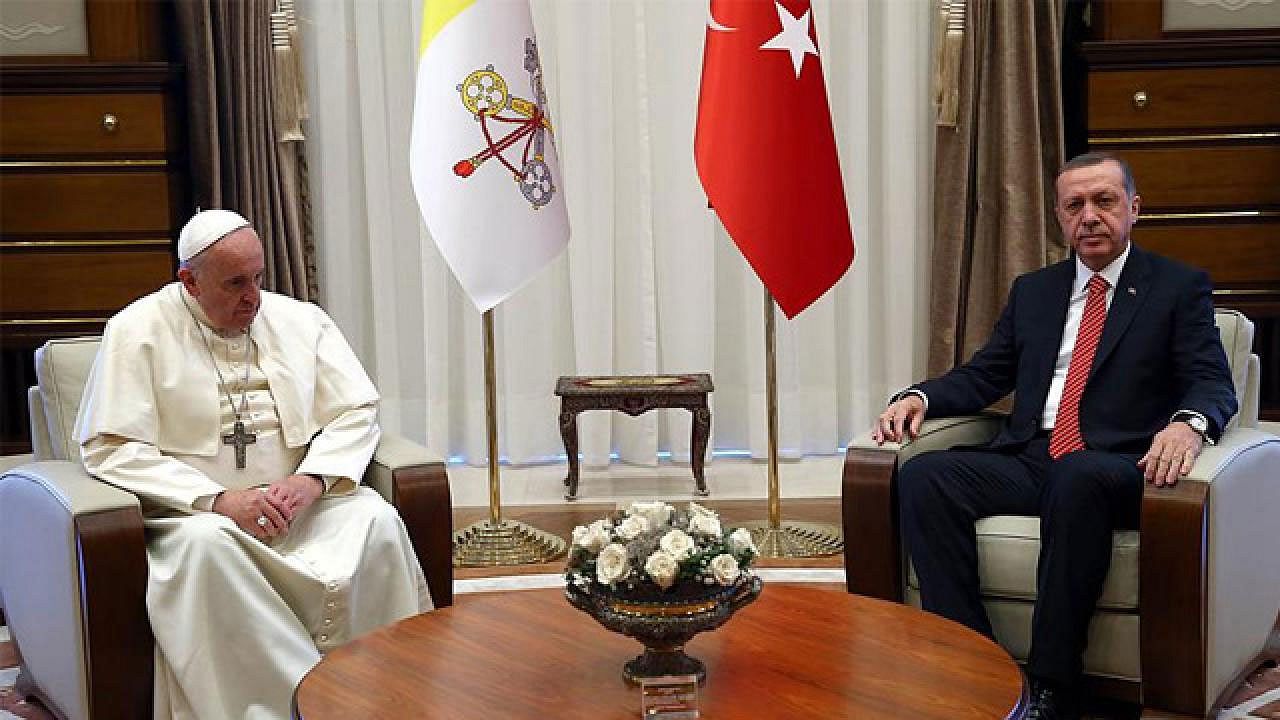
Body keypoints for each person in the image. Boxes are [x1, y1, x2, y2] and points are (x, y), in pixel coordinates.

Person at [873, 152, 1237, 720]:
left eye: (1104, 201)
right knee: (925, 475)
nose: (1089, 216)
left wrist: (1187, 424)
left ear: (1134, 208)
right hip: (1032, 456)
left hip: (1117, 465)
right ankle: (973, 662)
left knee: (1077, 476)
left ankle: (1053, 683)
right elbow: (985, 375)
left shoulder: (1176, 287)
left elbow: (1211, 381)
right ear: (1060, 218)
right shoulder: (1035, 291)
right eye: (1074, 206)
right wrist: (920, 396)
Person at [76, 209, 431, 720]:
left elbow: (357, 410)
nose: (253, 298)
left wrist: (312, 480)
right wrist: (219, 500)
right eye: (235, 284)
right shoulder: (136, 331)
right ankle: (284, 707)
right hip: (197, 516)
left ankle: (382, 694)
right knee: (207, 550)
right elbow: (110, 446)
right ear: (190, 282)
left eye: (259, 278)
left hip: (300, 506)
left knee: (375, 519)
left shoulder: (302, 321)